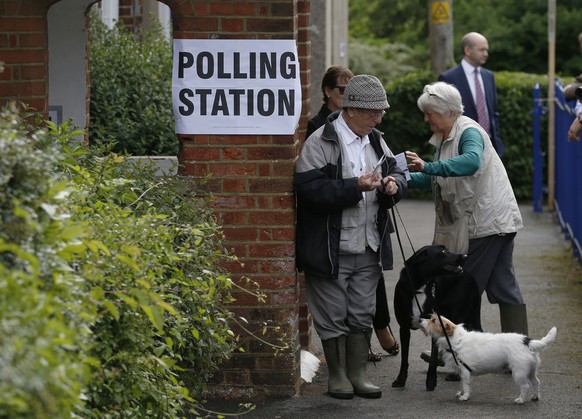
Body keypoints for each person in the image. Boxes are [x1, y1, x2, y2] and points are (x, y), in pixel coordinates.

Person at [294, 74, 407, 399]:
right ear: (351, 108)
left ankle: (358, 375)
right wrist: (353, 186)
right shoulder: (322, 141)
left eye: (381, 112)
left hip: (369, 245)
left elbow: (398, 170)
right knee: (332, 315)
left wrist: (393, 186)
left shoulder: (375, 139)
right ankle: (338, 377)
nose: (379, 118)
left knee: (361, 312)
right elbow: (309, 189)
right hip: (331, 249)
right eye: (373, 112)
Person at [405, 81, 528, 347]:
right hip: (495, 221)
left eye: (430, 113)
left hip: (485, 224)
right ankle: (519, 351)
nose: (425, 118)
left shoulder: (468, 132)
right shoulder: (448, 136)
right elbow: (438, 176)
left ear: (448, 111)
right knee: (503, 287)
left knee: (463, 289)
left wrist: (428, 166)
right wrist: (403, 179)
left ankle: (460, 355)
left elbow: (470, 161)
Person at [439, 32, 505, 157]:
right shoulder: (449, 78)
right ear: (468, 50)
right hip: (462, 148)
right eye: (482, 50)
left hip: (490, 147)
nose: (486, 54)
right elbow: (443, 115)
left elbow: (494, 112)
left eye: (486, 50)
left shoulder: (488, 76)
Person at [306, 65, 354, 139]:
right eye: (343, 90)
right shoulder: (315, 126)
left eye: (351, 90)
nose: (348, 95)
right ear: (328, 91)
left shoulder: (356, 123)